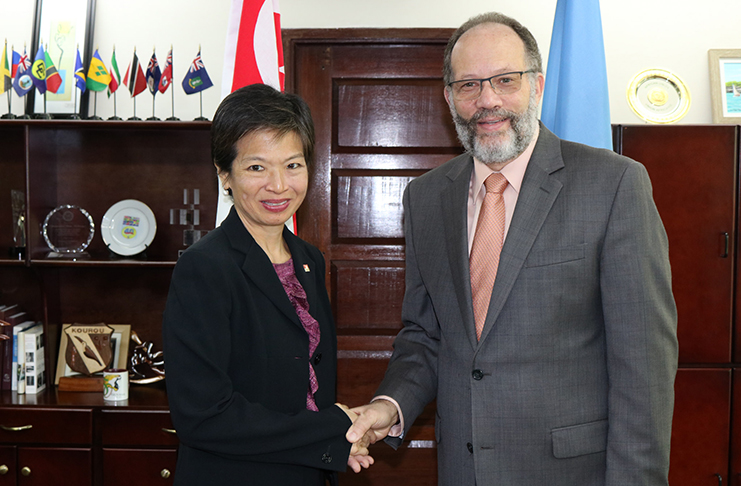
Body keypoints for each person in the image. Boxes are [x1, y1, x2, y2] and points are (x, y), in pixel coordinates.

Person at [346, 11, 678, 485]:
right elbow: (425, 334)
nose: (488, 100)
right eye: (469, 85)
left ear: (536, 85)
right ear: (449, 97)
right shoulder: (426, 198)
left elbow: (643, 364)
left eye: (505, 80)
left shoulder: (614, 184)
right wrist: (389, 405)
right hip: (463, 470)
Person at [163, 83, 372, 486]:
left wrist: (334, 444)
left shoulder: (308, 260)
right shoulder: (205, 267)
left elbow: (306, 388)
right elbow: (203, 416)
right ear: (224, 174)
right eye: (257, 168)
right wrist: (330, 429)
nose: (279, 185)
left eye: (293, 165)